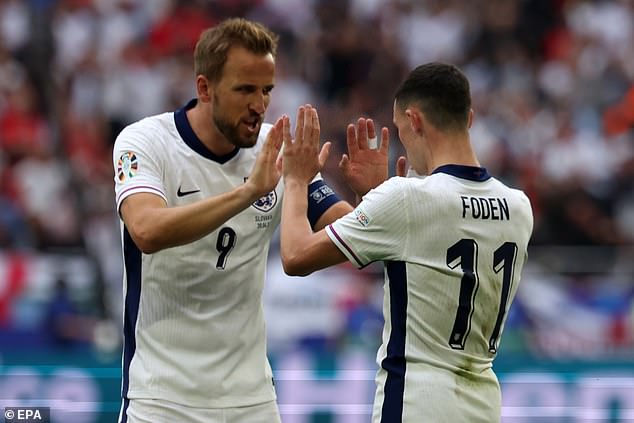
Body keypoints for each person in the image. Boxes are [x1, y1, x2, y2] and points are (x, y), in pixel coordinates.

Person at [112, 18, 352, 423]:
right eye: (245, 90)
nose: (259, 105)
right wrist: (247, 192)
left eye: (267, 90)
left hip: (251, 399)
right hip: (161, 398)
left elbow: (345, 231)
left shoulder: (277, 148)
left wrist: (375, 199)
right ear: (204, 88)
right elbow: (146, 231)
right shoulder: (144, 142)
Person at [280, 62, 534, 422]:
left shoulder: (408, 199)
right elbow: (422, 247)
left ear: (414, 121)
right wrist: (372, 198)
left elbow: (295, 255)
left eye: (400, 130)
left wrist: (295, 180)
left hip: (416, 401)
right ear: (470, 118)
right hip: (483, 403)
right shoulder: (519, 207)